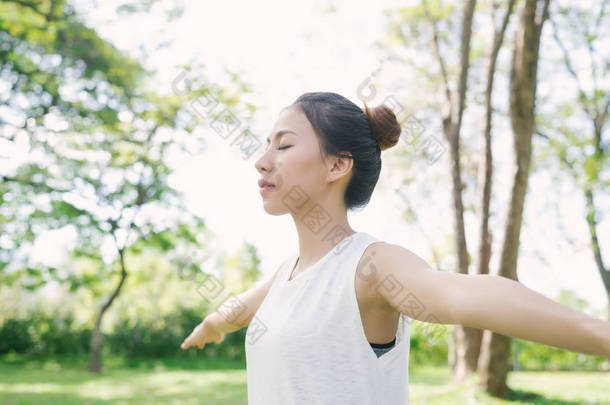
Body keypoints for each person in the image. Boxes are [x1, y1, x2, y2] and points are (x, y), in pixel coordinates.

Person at [181, 91, 610, 404]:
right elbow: (240, 309)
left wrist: (600, 334)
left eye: (285, 144)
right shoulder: (286, 274)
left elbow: (469, 295)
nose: (263, 158)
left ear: (337, 164)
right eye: (267, 143)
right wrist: (212, 326)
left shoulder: (369, 266)